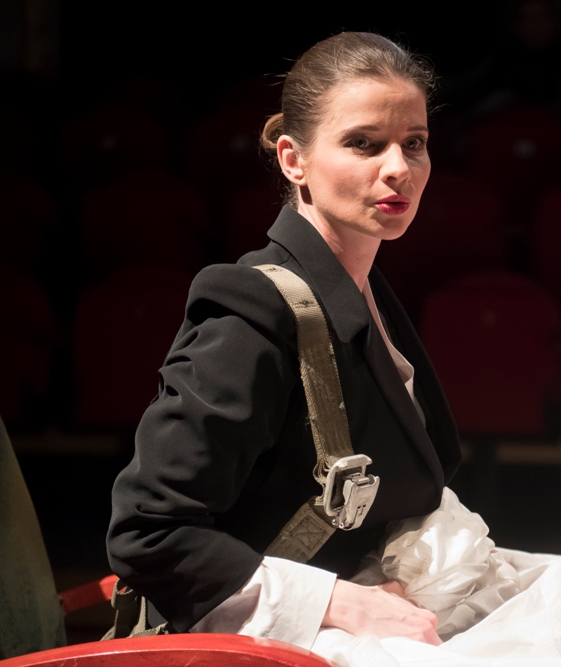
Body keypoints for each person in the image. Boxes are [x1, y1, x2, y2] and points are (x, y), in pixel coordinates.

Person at [107, 32, 460, 646]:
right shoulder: (252, 306)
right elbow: (149, 533)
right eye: (363, 143)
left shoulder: (365, 292)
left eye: (414, 143)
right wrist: (342, 603)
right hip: (259, 648)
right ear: (294, 160)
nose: (399, 168)